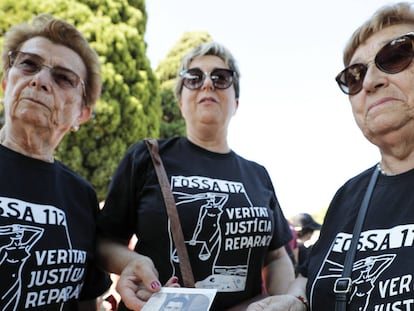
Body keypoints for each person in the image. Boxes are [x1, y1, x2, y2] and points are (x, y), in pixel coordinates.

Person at [97, 41, 295, 311]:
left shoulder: (257, 175)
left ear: (236, 102)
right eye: (194, 78)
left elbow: (276, 257)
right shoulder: (147, 157)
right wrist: (132, 263)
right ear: (180, 101)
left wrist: (284, 300)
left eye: (221, 78)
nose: (207, 84)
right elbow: (105, 241)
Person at [247, 2, 414, 310]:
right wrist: (297, 300)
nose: (369, 82)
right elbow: (309, 275)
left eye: (396, 56)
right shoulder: (348, 197)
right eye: (354, 75)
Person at [0, 14, 111, 310]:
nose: (40, 80)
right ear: (5, 84)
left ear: (81, 115)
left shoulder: (82, 196)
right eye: (28, 65)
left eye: (63, 78)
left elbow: (87, 300)